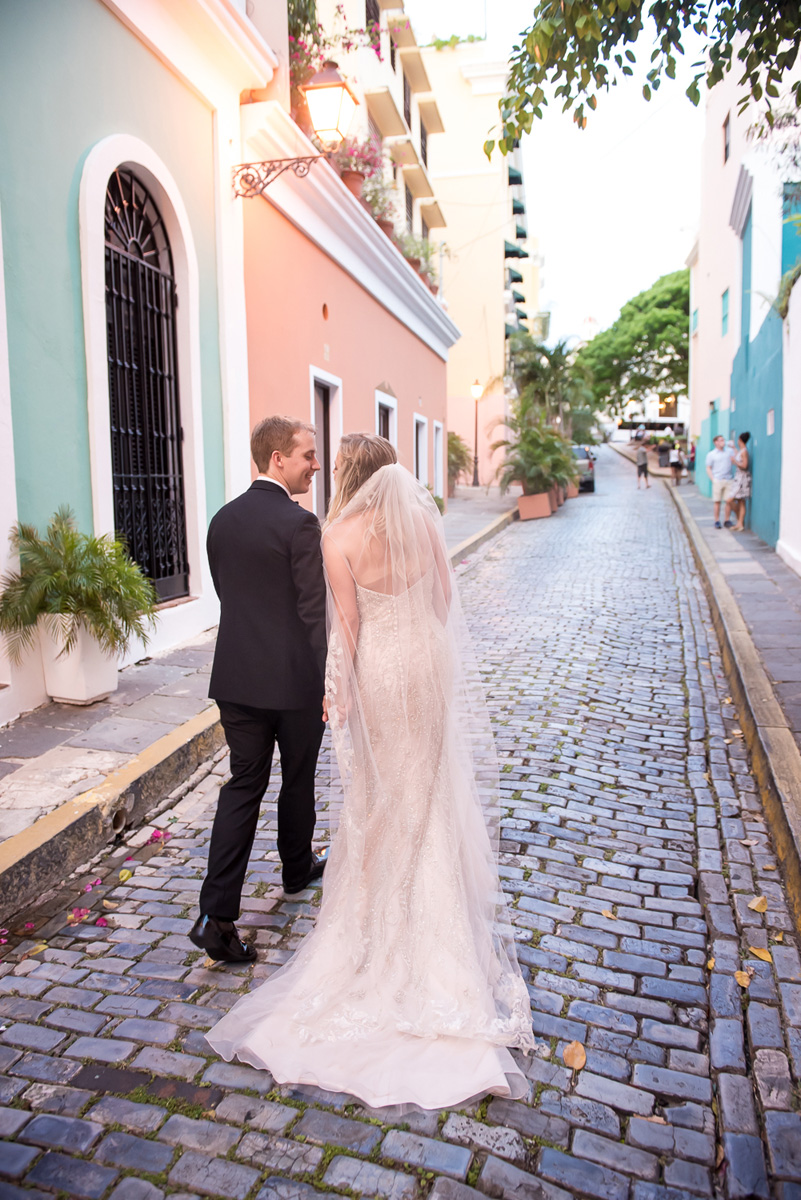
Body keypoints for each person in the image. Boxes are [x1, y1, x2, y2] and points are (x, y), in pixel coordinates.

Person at [206, 433, 535, 1108]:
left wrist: (340, 693)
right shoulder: (422, 522)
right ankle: (438, 926)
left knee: (386, 791)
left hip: (381, 667)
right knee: (430, 785)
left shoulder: (337, 533)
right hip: (426, 659)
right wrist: (421, 638)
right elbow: (444, 598)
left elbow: (346, 625)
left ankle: (381, 918)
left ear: (349, 475)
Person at [189, 416, 329, 965]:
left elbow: (230, 595)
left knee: (243, 786)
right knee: (296, 779)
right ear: (277, 458)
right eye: (307, 456)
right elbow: (312, 613)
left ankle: (215, 916)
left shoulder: (222, 520)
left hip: (236, 680)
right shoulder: (300, 525)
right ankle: (295, 870)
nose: (314, 466)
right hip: (293, 684)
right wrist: (328, 680)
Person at [705, 434, 735, 528]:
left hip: (728, 479)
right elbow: (708, 467)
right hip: (718, 479)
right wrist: (713, 479)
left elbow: (737, 457)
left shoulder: (729, 451)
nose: (723, 442)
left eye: (723, 440)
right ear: (716, 442)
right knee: (717, 501)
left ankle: (727, 520)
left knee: (728, 501)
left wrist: (734, 447)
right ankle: (717, 520)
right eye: (721, 440)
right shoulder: (711, 454)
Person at [730, 431, 751, 532]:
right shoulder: (741, 451)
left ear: (740, 440)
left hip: (742, 478)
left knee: (733, 500)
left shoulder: (744, 452)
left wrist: (735, 462)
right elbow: (738, 455)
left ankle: (740, 522)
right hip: (738, 478)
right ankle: (739, 523)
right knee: (740, 501)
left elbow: (745, 465)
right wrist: (734, 448)